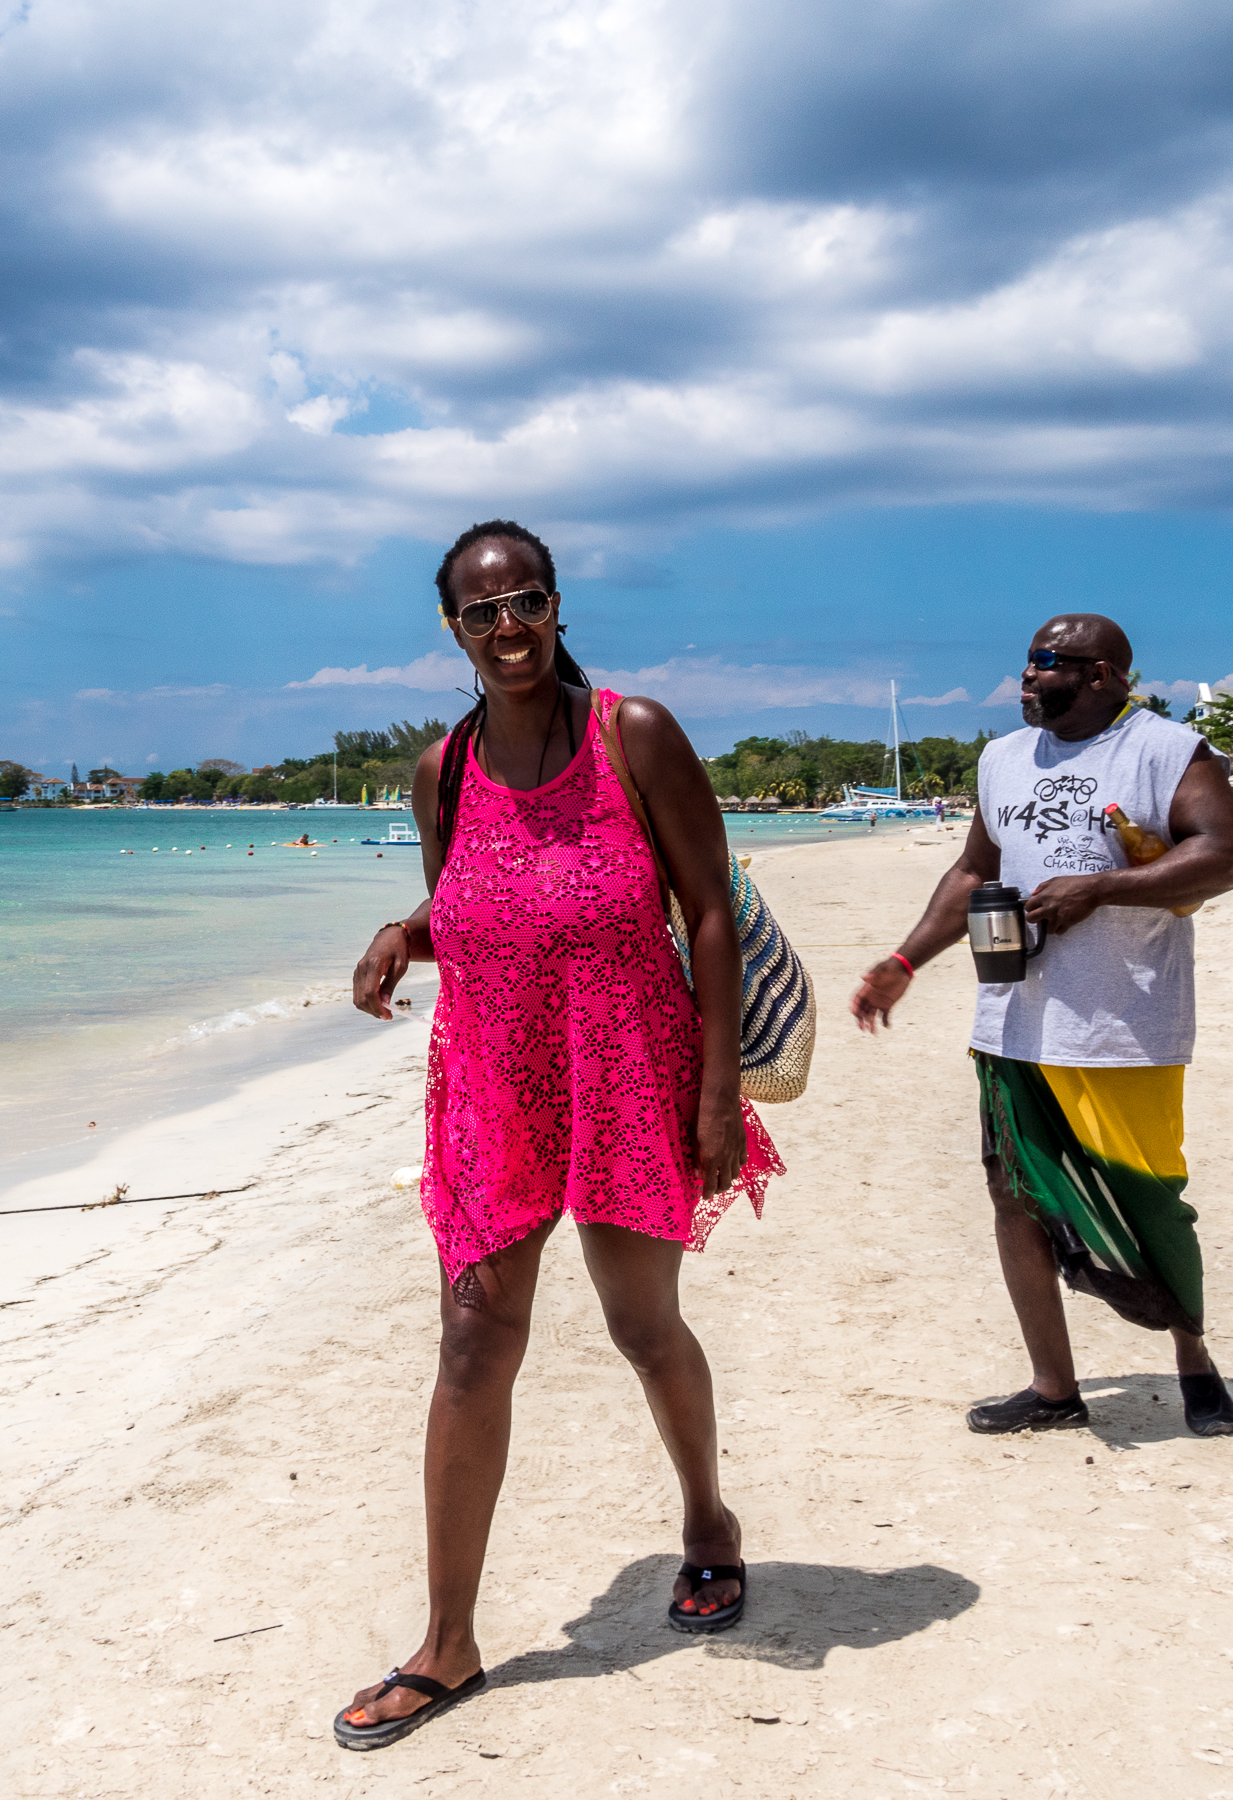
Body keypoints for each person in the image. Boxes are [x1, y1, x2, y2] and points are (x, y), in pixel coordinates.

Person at [337, 520, 783, 1751]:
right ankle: (448, 1642)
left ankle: (707, 1522)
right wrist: (402, 932)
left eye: (525, 601)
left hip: (629, 1072)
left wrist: (715, 1093)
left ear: (556, 606)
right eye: (482, 612)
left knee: (643, 1326)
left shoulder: (634, 734)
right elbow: (470, 903)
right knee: (472, 1342)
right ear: (453, 630)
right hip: (492, 1088)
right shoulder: (443, 770)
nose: (508, 627)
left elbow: (708, 910)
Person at [847, 614, 1233, 1438]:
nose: (1026, 676)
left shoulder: (1168, 750)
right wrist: (906, 960)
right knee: (1015, 1198)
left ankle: (1192, 1357)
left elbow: (1225, 857)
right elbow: (974, 871)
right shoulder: (1002, 758)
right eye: (1027, 662)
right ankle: (1053, 1388)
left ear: (1102, 674)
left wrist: (1099, 888)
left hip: (1125, 1024)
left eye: (1045, 661)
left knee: (1150, 1202)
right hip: (1014, 1022)